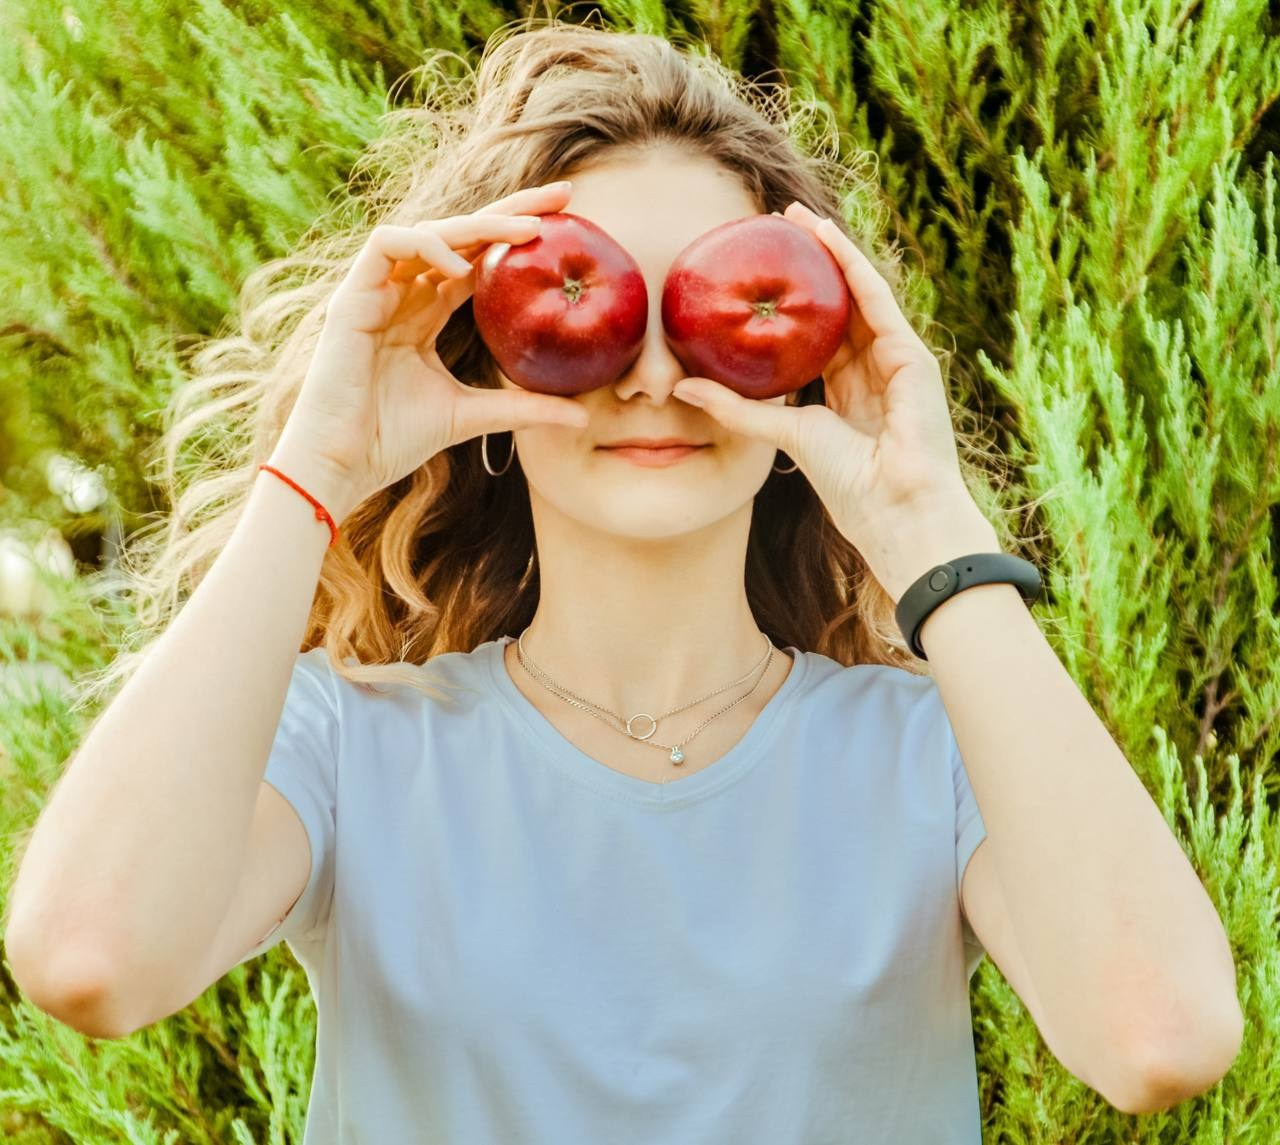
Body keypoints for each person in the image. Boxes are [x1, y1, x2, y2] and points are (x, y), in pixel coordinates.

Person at [8, 19, 1025, 1144]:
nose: (651, 375)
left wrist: (926, 518)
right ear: (484, 342)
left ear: (806, 358)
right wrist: (315, 470)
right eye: (595, 303)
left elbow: (1151, 1036)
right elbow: (87, 958)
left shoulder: (941, 751)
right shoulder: (351, 748)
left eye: (710, 312)